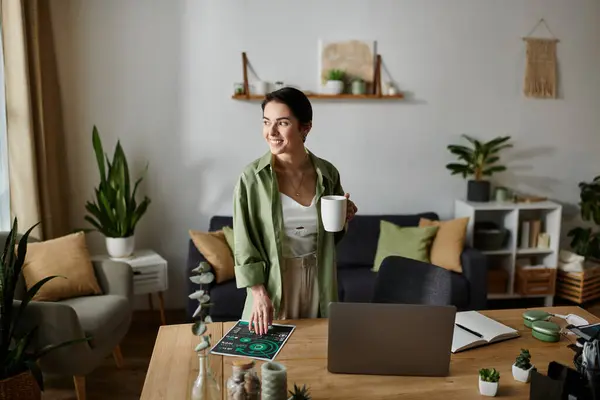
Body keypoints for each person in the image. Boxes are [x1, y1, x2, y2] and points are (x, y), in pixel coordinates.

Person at [232, 87, 357, 335]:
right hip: (275, 283)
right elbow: (244, 242)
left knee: (319, 353)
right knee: (270, 359)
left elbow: (331, 238)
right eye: (267, 122)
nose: (272, 132)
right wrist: (257, 293)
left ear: (305, 127)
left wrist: (345, 218)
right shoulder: (252, 179)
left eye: (283, 123)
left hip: (320, 279)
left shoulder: (327, 174)